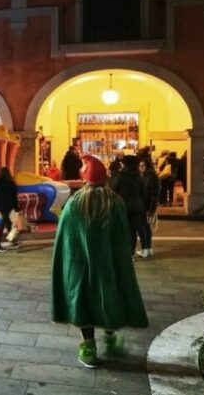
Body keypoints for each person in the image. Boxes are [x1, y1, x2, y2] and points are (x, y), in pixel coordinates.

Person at [51, 155, 148, 368]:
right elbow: (124, 236)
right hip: (109, 264)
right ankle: (111, 338)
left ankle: (88, 346)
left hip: (81, 266)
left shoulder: (75, 203)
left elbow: (66, 240)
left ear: (84, 178)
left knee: (83, 300)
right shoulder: (114, 202)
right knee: (110, 294)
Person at [109, 155, 145, 259]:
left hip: (121, 206)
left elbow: (113, 190)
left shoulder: (120, 176)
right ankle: (131, 254)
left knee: (121, 229)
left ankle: (121, 252)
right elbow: (143, 193)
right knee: (132, 231)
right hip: (136, 207)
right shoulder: (140, 177)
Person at [138, 158, 159, 258]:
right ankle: (149, 248)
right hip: (145, 206)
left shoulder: (150, 177)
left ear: (147, 166)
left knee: (142, 228)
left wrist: (151, 209)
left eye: (143, 166)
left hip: (145, 206)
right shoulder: (146, 176)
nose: (140, 168)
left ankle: (145, 249)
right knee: (146, 227)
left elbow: (154, 195)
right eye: (140, 166)